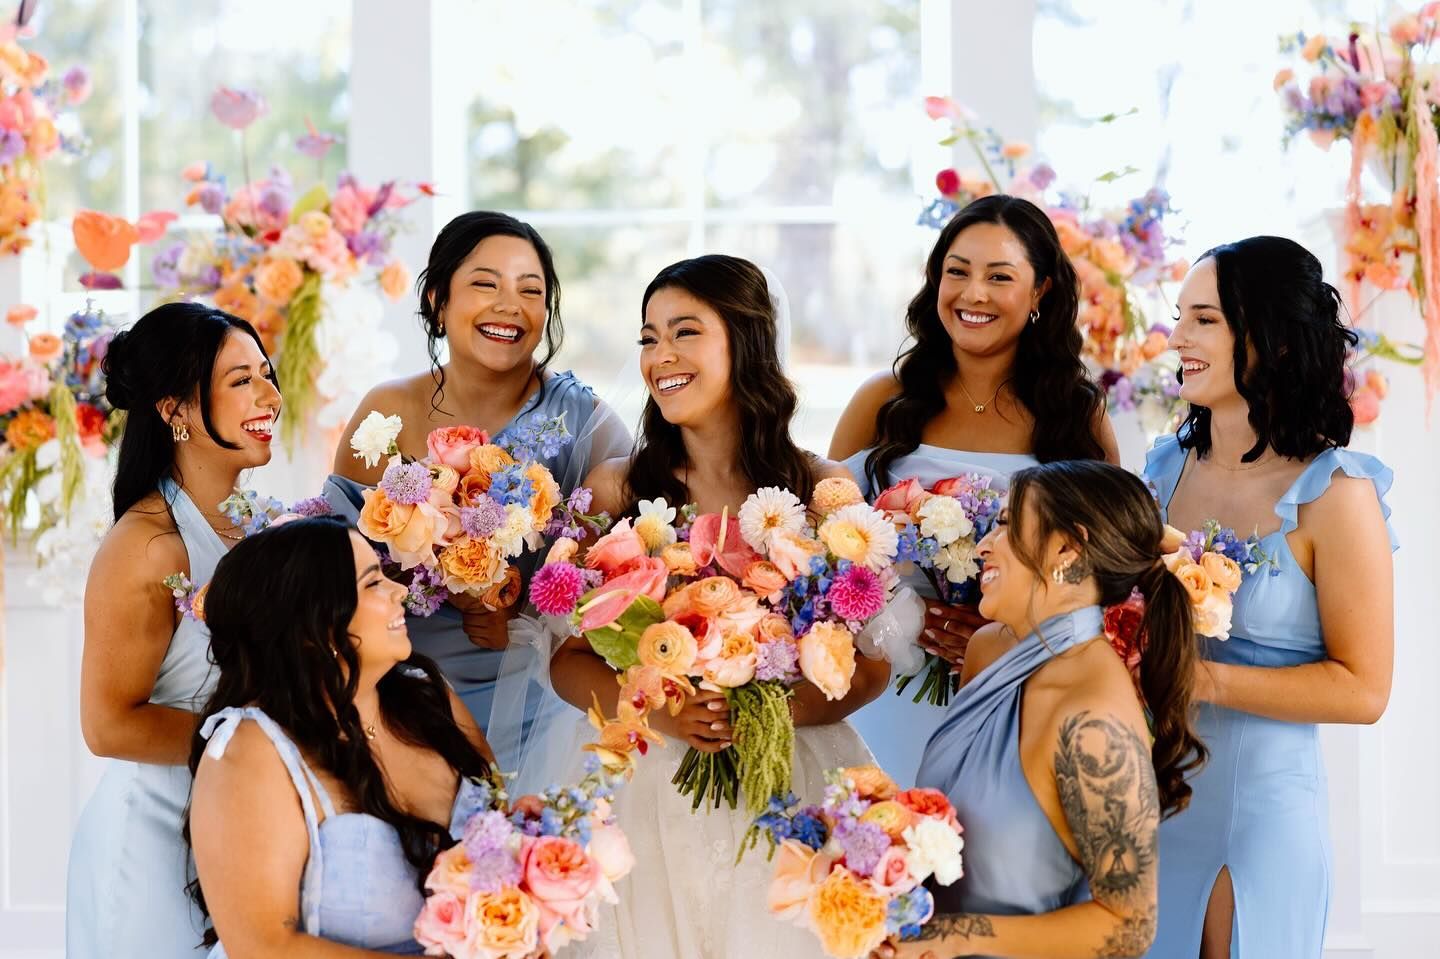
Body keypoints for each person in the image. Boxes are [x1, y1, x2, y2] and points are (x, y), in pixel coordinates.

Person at [546, 255, 886, 958]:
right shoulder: (615, 490)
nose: (659, 356)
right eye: (648, 338)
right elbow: (568, 661)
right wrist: (662, 712)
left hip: (788, 782)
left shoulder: (821, 492)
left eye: (685, 332)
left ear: (745, 341)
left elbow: (872, 666)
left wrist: (768, 714)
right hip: (649, 788)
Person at [1142, 236, 1395, 959]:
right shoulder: (1162, 471)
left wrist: (1198, 678)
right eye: (1180, 317)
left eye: (1205, 319)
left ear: (1275, 339)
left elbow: (1364, 690)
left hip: (1256, 816)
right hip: (1146, 800)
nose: (1178, 338)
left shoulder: (1335, 493)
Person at [829, 194, 1119, 783]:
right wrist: (901, 615)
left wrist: (1008, 633)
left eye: (999, 277)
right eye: (957, 272)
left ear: (1040, 291)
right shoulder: (880, 400)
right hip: (884, 689)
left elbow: (1109, 575)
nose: (973, 293)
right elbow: (823, 545)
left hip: (1020, 698)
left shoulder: (1076, 415)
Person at [874, 460, 1205, 959]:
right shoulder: (988, 650)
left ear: (1067, 549)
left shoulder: (1094, 719)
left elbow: (1130, 926)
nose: (983, 545)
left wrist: (958, 938)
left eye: (1006, 525)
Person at [328, 211, 631, 746]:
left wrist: (525, 614)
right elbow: (331, 575)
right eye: (486, 284)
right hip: (404, 702)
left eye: (530, 290)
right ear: (437, 301)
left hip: (543, 710)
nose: (509, 305)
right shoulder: (386, 411)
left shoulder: (585, 421)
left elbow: (631, 576)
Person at [67, 303, 282, 957]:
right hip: (154, 840)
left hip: (236, 824)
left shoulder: (256, 525)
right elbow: (108, 726)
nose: (270, 396)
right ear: (175, 410)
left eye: (267, 373)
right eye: (241, 380)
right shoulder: (149, 545)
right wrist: (266, 740)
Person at [185, 515, 497, 956]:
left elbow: (505, 837)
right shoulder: (251, 750)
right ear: (312, 626)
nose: (399, 591)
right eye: (373, 583)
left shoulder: (429, 698)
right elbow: (263, 947)